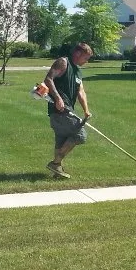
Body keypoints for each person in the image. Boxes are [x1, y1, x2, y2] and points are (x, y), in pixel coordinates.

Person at [43, 42, 93, 178]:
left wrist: (86, 111)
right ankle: (55, 163)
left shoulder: (77, 72)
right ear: (78, 54)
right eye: (85, 58)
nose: (86, 61)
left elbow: (81, 92)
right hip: (59, 109)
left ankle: (57, 171)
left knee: (62, 139)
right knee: (80, 135)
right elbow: (48, 79)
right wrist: (58, 98)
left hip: (67, 108)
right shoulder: (63, 62)